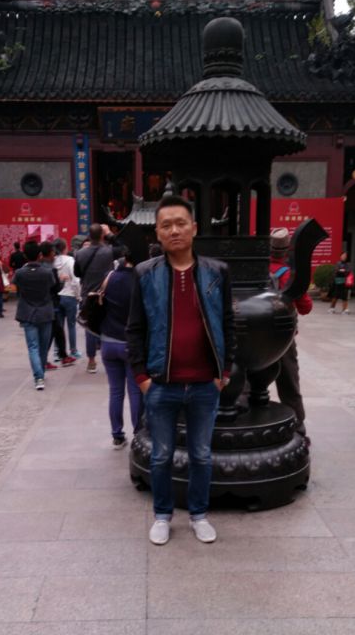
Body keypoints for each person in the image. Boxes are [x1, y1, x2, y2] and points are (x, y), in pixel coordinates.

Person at [127, 195, 235, 546]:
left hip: (205, 384)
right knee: (161, 456)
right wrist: (142, 378)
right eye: (166, 225)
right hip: (161, 384)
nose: (174, 230)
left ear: (194, 228)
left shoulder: (217, 272)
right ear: (157, 232)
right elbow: (135, 329)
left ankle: (199, 515)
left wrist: (224, 372)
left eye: (180, 223)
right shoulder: (145, 274)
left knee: (201, 455)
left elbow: (228, 322)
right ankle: (162, 515)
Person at [269, 228, 312, 436]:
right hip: (284, 338)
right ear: (287, 250)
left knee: (250, 383)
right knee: (289, 382)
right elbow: (306, 307)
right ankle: (298, 425)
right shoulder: (290, 275)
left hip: (255, 337)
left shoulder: (256, 268)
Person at [100, 246, 143, 448]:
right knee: (135, 391)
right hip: (130, 344)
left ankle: (117, 435)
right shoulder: (139, 280)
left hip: (108, 342)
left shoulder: (111, 277)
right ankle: (138, 434)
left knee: (115, 391)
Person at [12, 241, 55, 390]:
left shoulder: (19, 273)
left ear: (25, 255)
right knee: (43, 346)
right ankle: (41, 373)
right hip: (45, 312)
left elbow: (16, 285)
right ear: (40, 255)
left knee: (33, 346)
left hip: (27, 312)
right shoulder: (47, 272)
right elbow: (52, 286)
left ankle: (39, 377)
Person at [75, 223, 114, 373]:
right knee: (108, 326)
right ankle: (109, 358)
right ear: (102, 235)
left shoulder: (80, 253)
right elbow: (124, 248)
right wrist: (110, 234)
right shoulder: (109, 251)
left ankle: (91, 361)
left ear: (89, 236)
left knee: (89, 329)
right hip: (106, 293)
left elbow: (77, 273)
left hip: (88, 295)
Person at [39, 241, 75, 368]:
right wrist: (62, 280)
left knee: (57, 331)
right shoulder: (51, 269)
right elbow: (55, 288)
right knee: (51, 333)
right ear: (50, 253)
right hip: (51, 304)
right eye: (53, 252)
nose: (54, 254)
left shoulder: (40, 266)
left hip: (44, 304)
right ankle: (44, 360)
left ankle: (63, 356)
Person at [54, 238, 81, 358]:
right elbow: (75, 280)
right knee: (71, 325)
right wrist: (78, 296)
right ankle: (73, 350)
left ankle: (57, 352)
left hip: (57, 297)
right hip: (69, 296)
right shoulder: (70, 261)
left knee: (58, 327)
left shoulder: (53, 261)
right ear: (65, 248)